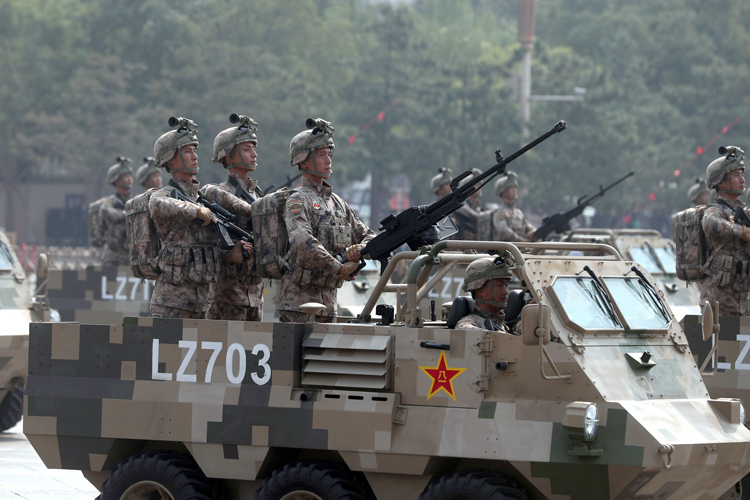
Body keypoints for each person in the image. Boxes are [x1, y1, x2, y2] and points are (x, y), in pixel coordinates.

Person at [147, 118, 250, 319]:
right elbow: (155, 204)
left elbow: (204, 252)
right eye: (187, 152)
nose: (195, 157)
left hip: (204, 305)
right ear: (170, 159)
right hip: (172, 304)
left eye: (195, 151)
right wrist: (194, 210)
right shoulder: (166, 195)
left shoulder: (203, 200)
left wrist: (230, 256)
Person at [278, 119, 375, 323]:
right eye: (322, 155)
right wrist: (339, 268)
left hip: (329, 304)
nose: (329, 160)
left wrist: (359, 249)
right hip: (299, 304)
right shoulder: (297, 199)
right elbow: (302, 241)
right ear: (303, 161)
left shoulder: (338, 203)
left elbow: (368, 234)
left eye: (330, 154)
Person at [200, 115, 264, 321]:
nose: (254, 154)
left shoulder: (259, 195)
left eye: (254, 148)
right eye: (246, 149)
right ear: (230, 157)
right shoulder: (218, 192)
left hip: (255, 294)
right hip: (226, 296)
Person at [701, 146, 750, 316]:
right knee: (721, 342)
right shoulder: (717, 210)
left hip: (743, 296)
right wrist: (741, 231)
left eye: (742, 174)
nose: (742, 180)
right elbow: (709, 222)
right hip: (720, 299)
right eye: (736, 175)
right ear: (721, 181)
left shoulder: (743, 212)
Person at [455, 252, 516, 331]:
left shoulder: (504, 327)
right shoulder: (466, 326)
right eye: (499, 285)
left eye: (506, 285)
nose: (505, 292)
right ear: (479, 290)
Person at [99, 157, 133, 266]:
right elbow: (104, 212)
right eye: (125, 176)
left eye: (129, 175)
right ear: (116, 179)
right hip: (113, 255)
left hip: (130, 255)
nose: (129, 179)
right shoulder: (111, 201)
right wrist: (123, 214)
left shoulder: (134, 201)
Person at [491, 171, 536, 242]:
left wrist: (534, 232)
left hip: (520, 249)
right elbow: (503, 230)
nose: (514, 190)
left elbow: (528, 226)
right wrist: (521, 240)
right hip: (506, 250)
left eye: (515, 187)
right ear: (503, 191)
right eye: (511, 187)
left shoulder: (518, 212)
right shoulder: (499, 212)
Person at [453, 168, 484, 240]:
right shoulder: (462, 206)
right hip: (464, 245)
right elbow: (475, 215)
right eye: (476, 184)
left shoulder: (479, 206)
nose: (479, 187)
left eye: (479, 184)